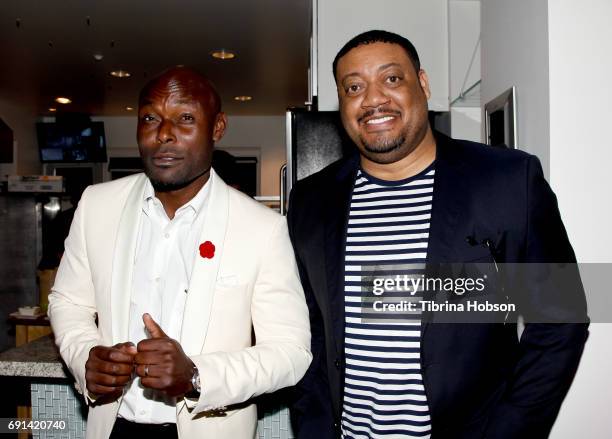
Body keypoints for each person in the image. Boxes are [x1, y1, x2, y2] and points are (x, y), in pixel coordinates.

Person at [287, 30, 588, 439]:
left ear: (423, 84)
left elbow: (559, 319)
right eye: (353, 86)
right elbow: (311, 330)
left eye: (391, 79)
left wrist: (509, 430)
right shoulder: (311, 200)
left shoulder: (506, 181)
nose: (373, 99)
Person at [48, 66, 311, 439]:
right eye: (150, 118)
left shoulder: (261, 228)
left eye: (185, 118)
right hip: (113, 426)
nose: (164, 134)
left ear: (217, 127)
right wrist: (85, 356)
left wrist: (196, 375)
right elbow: (67, 302)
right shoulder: (97, 205)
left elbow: (290, 352)